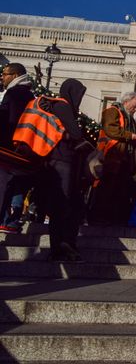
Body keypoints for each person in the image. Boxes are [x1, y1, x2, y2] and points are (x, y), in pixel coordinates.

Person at [15, 79, 89, 261]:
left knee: (64, 205)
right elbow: (76, 134)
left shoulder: (55, 106)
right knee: (63, 205)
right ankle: (61, 246)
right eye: (80, 94)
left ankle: (63, 245)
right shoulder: (63, 107)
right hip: (62, 161)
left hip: (53, 161)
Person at [88, 92, 136, 225]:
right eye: (134, 106)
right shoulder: (112, 111)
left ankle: (111, 218)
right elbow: (111, 129)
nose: (135, 110)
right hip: (109, 156)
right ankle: (97, 218)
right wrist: (130, 136)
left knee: (116, 190)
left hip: (122, 159)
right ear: (126, 102)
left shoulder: (130, 118)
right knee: (104, 189)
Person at [0, 63, 35, 233]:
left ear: (15, 76)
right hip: (25, 146)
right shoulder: (30, 95)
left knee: (7, 183)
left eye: (5, 74)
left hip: (9, 145)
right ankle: (13, 220)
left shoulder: (13, 94)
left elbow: (9, 120)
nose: (2, 77)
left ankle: (7, 219)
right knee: (19, 183)